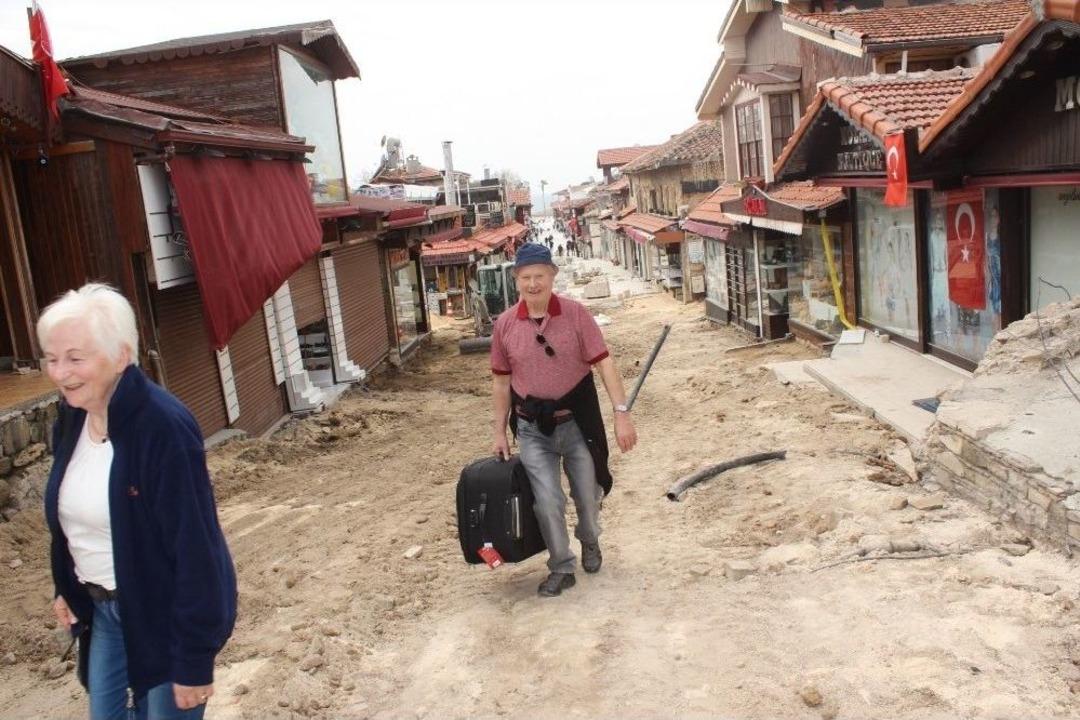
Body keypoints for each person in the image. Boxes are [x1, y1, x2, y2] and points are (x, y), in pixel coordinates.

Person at [40, 283, 237, 719]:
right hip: (105, 613)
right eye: (51, 359)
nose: (60, 372)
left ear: (121, 356)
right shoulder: (72, 420)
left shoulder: (163, 429)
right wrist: (66, 588)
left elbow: (197, 550)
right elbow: (71, 521)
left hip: (162, 616)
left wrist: (192, 660)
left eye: (75, 358)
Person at [490, 244, 638, 597]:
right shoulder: (505, 325)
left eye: (540, 275)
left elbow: (604, 364)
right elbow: (500, 381)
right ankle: (561, 565)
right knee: (547, 500)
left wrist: (622, 415)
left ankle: (589, 539)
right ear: (516, 280)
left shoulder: (576, 315)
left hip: (576, 424)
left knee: (587, 495)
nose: (533, 284)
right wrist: (499, 431)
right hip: (531, 428)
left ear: (553, 276)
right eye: (525, 277)